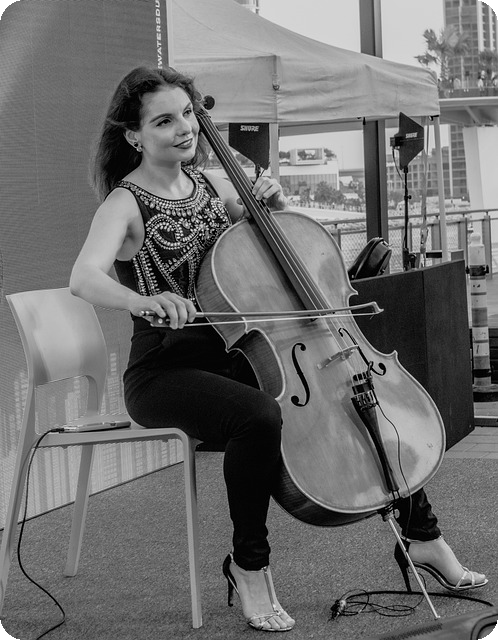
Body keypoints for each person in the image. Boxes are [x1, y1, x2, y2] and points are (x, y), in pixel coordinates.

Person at [70, 66, 487, 632]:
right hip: (165, 370)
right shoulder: (123, 204)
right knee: (259, 417)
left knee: (356, 392)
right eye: (163, 121)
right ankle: (249, 566)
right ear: (133, 136)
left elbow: (269, 248)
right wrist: (145, 301)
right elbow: (83, 278)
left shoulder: (214, 186)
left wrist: (273, 201)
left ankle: (424, 539)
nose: (185, 128)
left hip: (238, 354)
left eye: (188, 113)